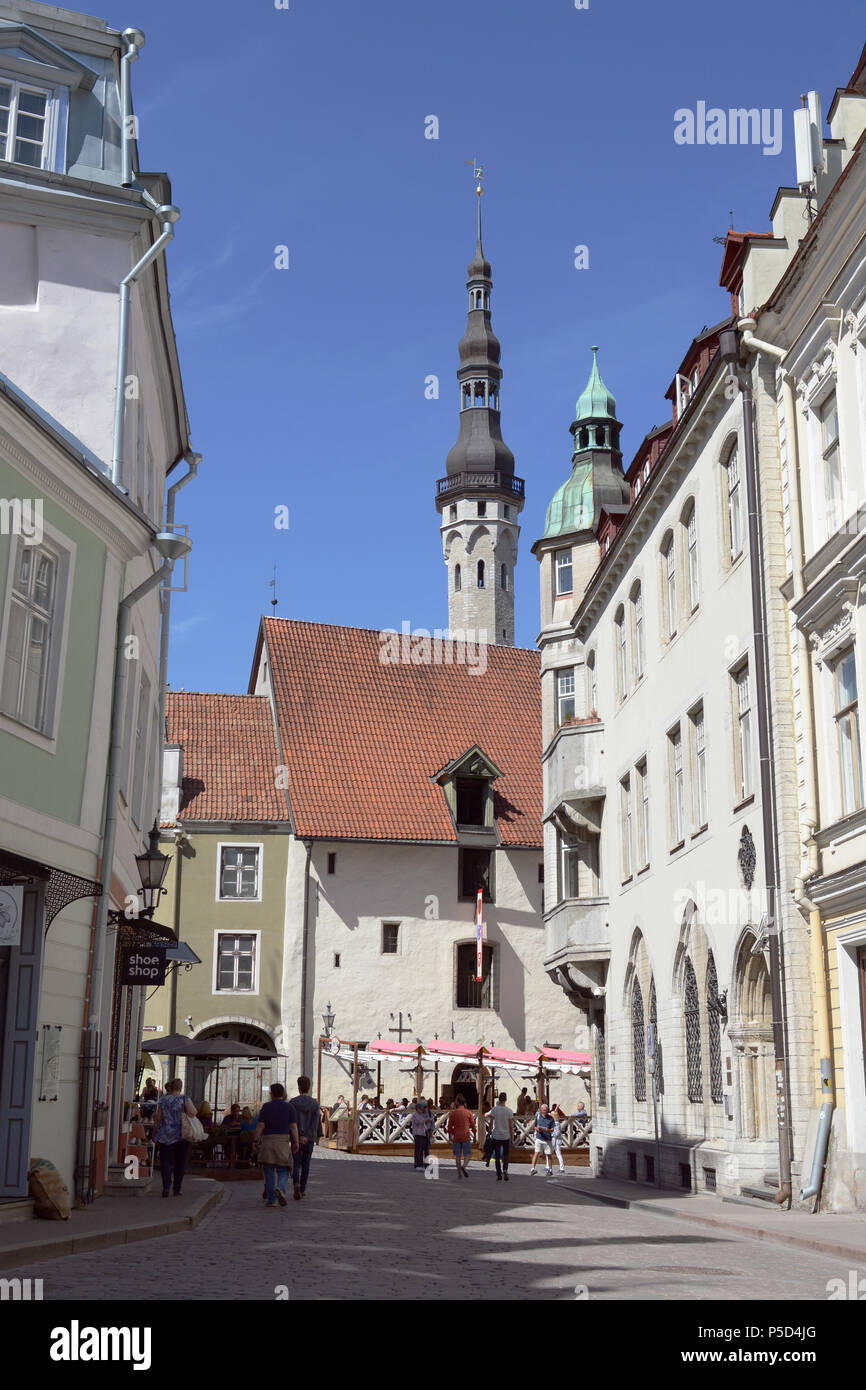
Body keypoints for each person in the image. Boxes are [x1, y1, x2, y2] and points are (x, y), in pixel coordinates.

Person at [253, 1082, 298, 1207]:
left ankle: (272, 1199)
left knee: (268, 1169)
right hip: (283, 1141)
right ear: (283, 1094)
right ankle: (281, 1188)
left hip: (268, 1140)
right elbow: (293, 1126)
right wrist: (296, 1142)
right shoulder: (289, 1107)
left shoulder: (266, 1107)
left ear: (271, 1094)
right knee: (283, 1168)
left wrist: (255, 1139)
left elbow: (261, 1125)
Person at [153, 1078, 197, 1198]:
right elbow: (193, 1113)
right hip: (182, 1135)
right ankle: (177, 1189)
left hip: (165, 1135)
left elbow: (158, 1118)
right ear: (180, 1087)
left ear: (171, 1087)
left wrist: (154, 1134)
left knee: (165, 1162)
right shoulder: (185, 1099)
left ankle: (166, 1187)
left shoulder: (163, 1100)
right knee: (180, 1163)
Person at [289, 1075, 322, 1199]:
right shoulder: (314, 1103)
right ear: (309, 1087)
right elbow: (315, 1123)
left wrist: (298, 1136)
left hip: (296, 1137)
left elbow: (291, 1122)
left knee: (296, 1162)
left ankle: (296, 1183)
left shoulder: (293, 1102)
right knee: (306, 1164)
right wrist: (308, 1136)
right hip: (309, 1139)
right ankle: (302, 1189)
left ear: (299, 1087)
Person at [446, 1094, 476, 1179]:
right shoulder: (468, 1112)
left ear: (457, 1103)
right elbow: (473, 1125)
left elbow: (449, 1127)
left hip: (456, 1136)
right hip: (466, 1135)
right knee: (468, 1154)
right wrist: (474, 1136)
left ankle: (459, 1174)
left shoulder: (453, 1113)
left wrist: (449, 1136)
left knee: (457, 1156)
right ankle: (464, 1166)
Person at [487, 1091, 514, 1181]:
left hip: (496, 1135)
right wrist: (512, 1139)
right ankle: (505, 1169)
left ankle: (499, 1174)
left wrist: (488, 1133)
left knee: (497, 1156)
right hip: (506, 1135)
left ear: (499, 1099)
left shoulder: (494, 1109)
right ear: (505, 1099)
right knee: (506, 1155)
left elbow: (491, 1123)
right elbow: (511, 1127)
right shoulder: (509, 1111)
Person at [529, 1102, 555, 1176]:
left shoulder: (551, 1118)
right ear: (541, 1110)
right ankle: (533, 1169)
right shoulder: (538, 1116)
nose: (544, 1111)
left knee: (549, 1154)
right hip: (539, 1137)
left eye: (546, 1110)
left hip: (547, 1138)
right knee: (536, 1153)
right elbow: (535, 1126)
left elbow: (552, 1129)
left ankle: (550, 1170)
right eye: (543, 1110)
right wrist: (538, 1129)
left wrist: (547, 1130)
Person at [411, 1098, 431, 1170]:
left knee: (423, 1149)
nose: (422, 1110)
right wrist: (425, 1120)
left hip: (423, 1134)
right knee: (418, 1150)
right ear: (418, 1109)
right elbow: (418, 1122)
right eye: (421, 1109)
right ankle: (418, 1164)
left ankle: (423, 1164)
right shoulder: (415, 1115)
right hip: (417, 1134)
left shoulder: (421, 1115)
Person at [551, 1110, 565, 1175]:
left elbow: (556, 1133)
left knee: (558, 1154)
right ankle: (548, 1166)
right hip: (555, 1140)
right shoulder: (555, 1123)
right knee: (550, 1153)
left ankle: (562, 1168)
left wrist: (550, 1134)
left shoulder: (556, 1123)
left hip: (556, 1141)